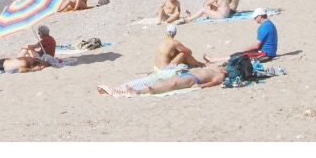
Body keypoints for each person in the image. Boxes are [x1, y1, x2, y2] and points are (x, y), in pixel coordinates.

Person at [97, 64, 226, 96]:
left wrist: (202, 86)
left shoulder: (220, 76)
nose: (224, 67)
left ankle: (138, 92)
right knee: (162, 82)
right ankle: (127, 88)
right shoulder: (217, 68)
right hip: (185, 74)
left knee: (172, 84)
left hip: (193, 79)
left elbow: (213, 83)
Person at [206, 9, 277, 63]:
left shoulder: (263, 27)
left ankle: (213, 60)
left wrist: (243, 49)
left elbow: (256, 45)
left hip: (265, 53)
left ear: (260, 16)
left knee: (239, 55)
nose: (254, 19)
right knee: (240, 54)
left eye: (255, 17)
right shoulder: (270, 24)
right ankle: (214, 59)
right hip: (270, 52)